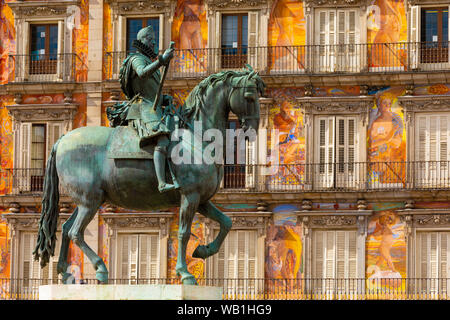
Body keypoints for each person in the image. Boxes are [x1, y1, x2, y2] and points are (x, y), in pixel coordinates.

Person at [113, 25, 179, 193]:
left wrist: (165, 98)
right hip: (142, 107)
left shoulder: (149, 61)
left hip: (153, 106)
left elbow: (152, 91)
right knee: (162, 139)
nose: (154, 43)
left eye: (154, 41)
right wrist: (161, 61)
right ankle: (162, 183)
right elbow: (142, 73)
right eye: (151, 41)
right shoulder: (136, 59)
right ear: (142, 42)